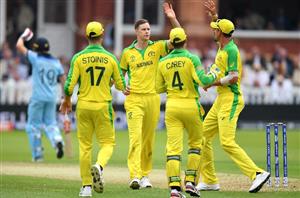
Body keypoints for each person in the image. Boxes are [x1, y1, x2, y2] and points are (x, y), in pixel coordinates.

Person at [196, 0, 270, 193]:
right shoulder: (223, 44)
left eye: (215, 29)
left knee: (227, 142)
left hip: (231, 99)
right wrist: (214, 16)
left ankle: (257, 174)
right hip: (221, 99)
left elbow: (234, 76)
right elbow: (220, 28)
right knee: (202, 136)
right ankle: (210, 180)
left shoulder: (230, 50)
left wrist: (212, 83)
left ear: (220, 33)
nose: (213, 30)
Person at [59, 21, 126, 197]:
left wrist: (66, 100)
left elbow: (68, 86)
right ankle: (99, 166)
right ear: (102, 35)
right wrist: (109, 81)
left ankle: (86, 187)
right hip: (103, 106)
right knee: (108, 143)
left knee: (85, 147)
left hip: (84, 105)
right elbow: (121, 85)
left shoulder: (78, 58)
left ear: (87, 36)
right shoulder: (111, 58)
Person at [119, 2, 181, 189]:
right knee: (135, 138)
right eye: (144, 29)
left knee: (148, 141)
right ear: (136, 31)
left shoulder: (158, 47)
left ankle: (145, 175)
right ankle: (135, 176)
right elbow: (120, 74)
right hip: (134, 99)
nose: (147, 32)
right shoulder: (127, 53)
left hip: (153, 98)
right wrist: (122, 87)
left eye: (148, 29)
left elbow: (180, 37)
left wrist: (172, 18)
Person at [156, 27, 219, 198]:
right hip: (191, 105)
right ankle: (190, 182)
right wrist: (214, 72)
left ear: (171, 42)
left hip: (172, 106)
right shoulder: (192, 58)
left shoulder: (163, 62)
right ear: (185, 41)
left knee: (173, 148)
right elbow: (204, 80)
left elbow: (158, 87)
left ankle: (175, 188)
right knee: (196, 144)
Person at [16, 29, 65, 162]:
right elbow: (63, 79)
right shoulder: (56, 62)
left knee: (33, 126)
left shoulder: (35, 57)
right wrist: (65, 98)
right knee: (51, 124)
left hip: (37, 97)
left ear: (37, 48)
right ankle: (57, 140)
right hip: (51, 97)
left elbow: (19, 45)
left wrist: (25, 35)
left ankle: (37, 155)